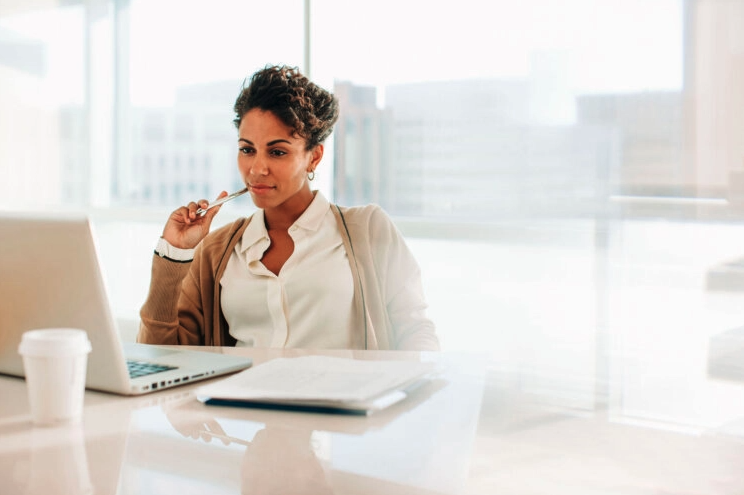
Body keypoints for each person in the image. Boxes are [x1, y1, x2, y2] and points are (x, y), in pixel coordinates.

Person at [137, 64, 439, 351]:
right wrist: (174, 253)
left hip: (339, 403)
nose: (256, 169)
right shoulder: (217, 251)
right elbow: (161, 358)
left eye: (277, 152)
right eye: (247, 150)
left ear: (314, 157)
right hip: (240, 404)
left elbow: (415, 332)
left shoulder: (369, 229)